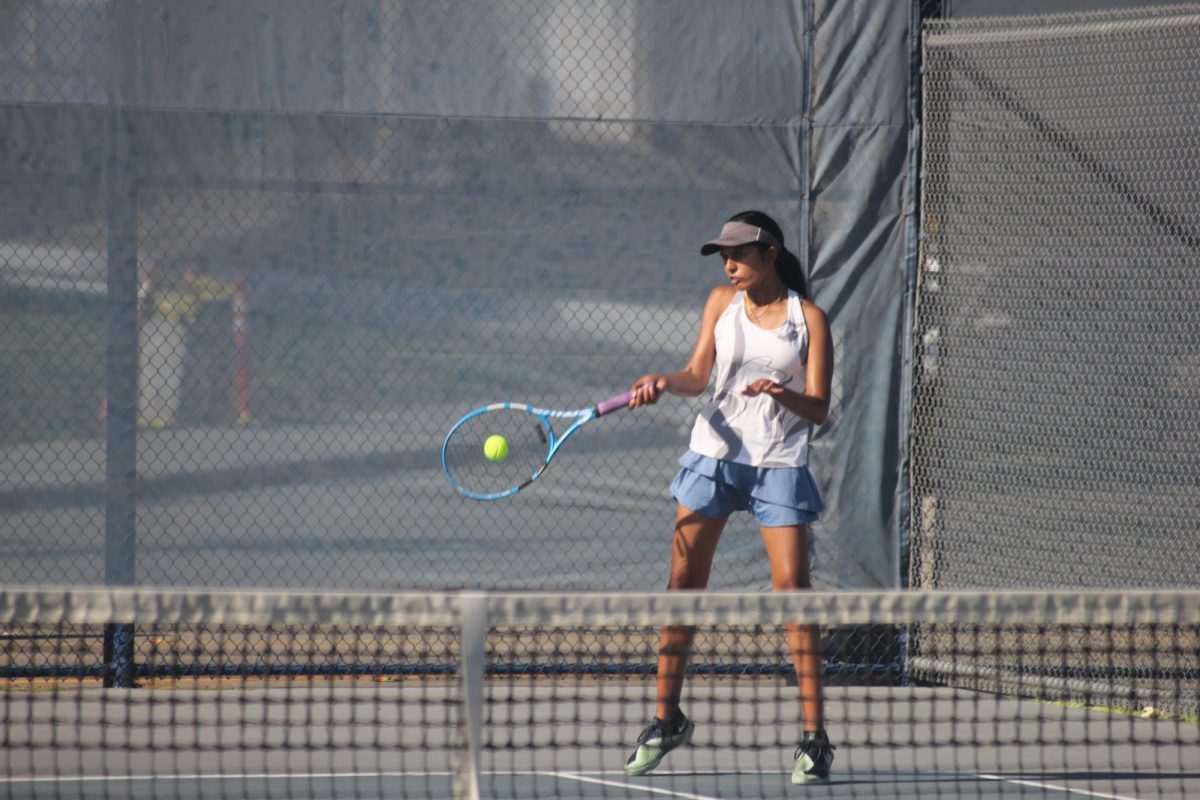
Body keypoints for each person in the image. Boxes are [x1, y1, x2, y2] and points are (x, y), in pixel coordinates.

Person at [622, 210, 836, 784]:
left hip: (778, 463)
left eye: (739, 254)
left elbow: (819, 406)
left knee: (794, 592)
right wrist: (664, 383)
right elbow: (697, 373)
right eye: (723, 255)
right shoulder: (720, 302)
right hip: (713, 458)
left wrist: (779, 394)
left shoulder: (807, 319)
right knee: (681, 588)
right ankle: (666, 720)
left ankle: (814, 738)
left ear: (771, 253)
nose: (729, 264)